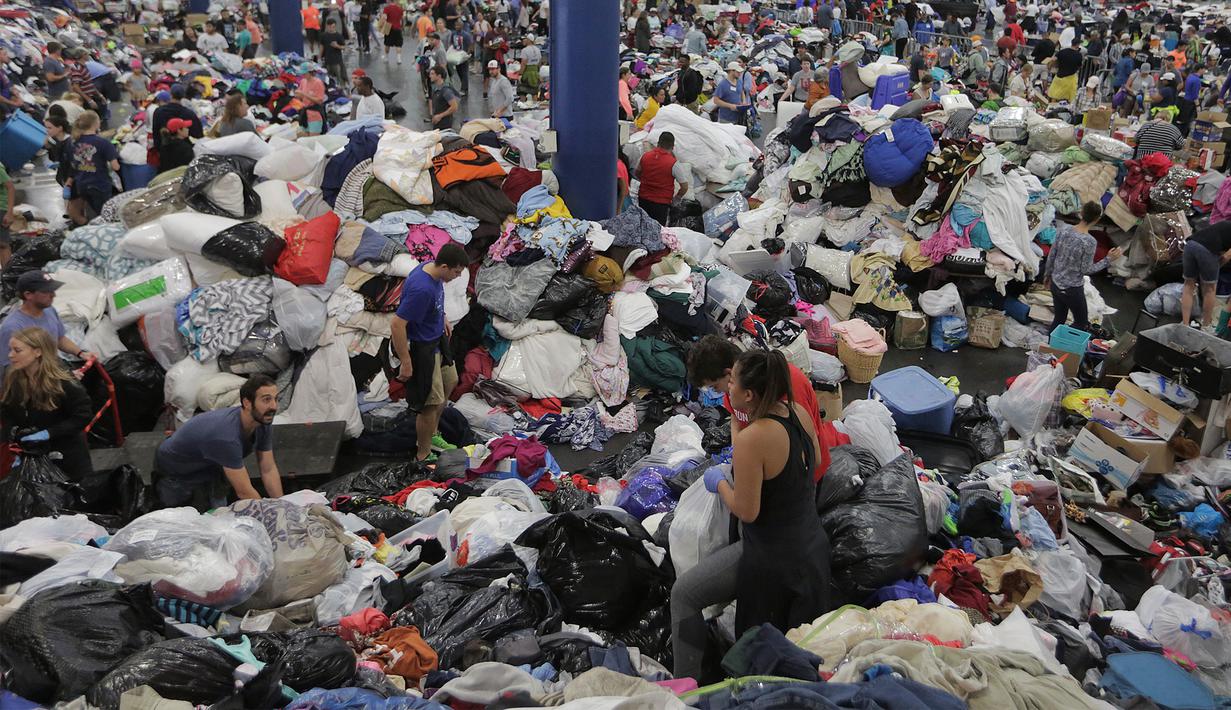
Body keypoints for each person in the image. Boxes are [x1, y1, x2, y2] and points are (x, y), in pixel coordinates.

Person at [671, 349, 831, 681]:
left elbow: (747, 510)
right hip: (812, 549)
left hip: (774, 561)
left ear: (749, 395)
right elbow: (815, 461)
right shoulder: (798, 412)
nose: (727, 388)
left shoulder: (754, 438)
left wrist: (720, 484)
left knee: (684, 593)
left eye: (732, 382)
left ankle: (685, 687)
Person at [154, 374, 285, 510]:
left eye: (276, 399)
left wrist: (283, 506)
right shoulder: (226, 436)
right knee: (185, 517)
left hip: (212, 466)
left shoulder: (262, 421)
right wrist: (271, 515)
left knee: (219, 511)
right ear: (247, 403)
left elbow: (268, 469)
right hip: (177, 470)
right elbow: (244, 492)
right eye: (266, 400)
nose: (274, 406)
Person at [391, 243, 467, 462]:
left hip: (437, 339)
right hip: (423, 348)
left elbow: (435, 300)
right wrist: (406, 362)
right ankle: (423, 454)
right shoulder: (421, 289)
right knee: (429, 404)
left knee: (451, 381)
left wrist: (442, 315)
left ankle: (432, 434)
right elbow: (397, 324)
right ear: (444, 267)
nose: (457, 276)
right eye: (456, 272)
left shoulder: (433, 271)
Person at [1, 327, 94, 481]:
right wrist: (14, 435)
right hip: (33, 456)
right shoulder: (13, 379)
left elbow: (82, 416)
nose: (10, 355)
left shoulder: (63, 381)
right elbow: (7, 412)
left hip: (67, 457)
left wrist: (49, 433)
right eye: (10, 350)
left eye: (17, 350)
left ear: (37, 352)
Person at [0, 271, 94, 378]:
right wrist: (61, 377)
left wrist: (81, 353)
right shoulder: (13, 327)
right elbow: (11, 368)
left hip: (51, 368)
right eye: (46, 292)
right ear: (28, 295)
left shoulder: (49, 310)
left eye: (52, 290)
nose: (53, 295)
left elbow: (59, 339)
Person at [1044, 202, 1119, 334]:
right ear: (1097, 219)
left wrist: (1047, 275)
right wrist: (1108, 259)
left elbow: (1052, 255)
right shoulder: (1089, 242)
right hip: (1072, 289)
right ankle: (1067, 344)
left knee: (1059, 318)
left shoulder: (1064, 230)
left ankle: (1052, 343)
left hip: (1056, 283)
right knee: (1081, 323)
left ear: (1081, 213)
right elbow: (1087, 270)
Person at [1181, 221, 1231, 331]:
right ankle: (1206, 326)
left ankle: (1184, 325)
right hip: (1208, 250)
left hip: (1190, 244)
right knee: (1210, 290)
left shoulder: (1227, 224)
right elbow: (1227, 256)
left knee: (1188, 285)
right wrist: (1214, 268)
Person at [70, 111, 118, 219]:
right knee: (106, 215)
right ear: (96, 124)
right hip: (100, 184)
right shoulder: (103, 143)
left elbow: (73, 164)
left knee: (94, 212)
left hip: (82, 184)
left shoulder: (74, 142)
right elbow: (116, 166)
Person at [636, 131, 688, 225]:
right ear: (672, 147)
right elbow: (684, 187)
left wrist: (646, 181)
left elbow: (637, 172)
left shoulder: (645, 156)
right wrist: (676, 198)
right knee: (658, 229)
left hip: (643, 198)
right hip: (661, 204)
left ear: (658, 143)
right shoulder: (674, 163)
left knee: (642, 226)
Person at [150, 84, 203, 161]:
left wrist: (159, 150)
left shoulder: (159, 111)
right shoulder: (189, 113)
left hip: (164, 151)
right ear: (183, 96)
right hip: (184, 154)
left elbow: (155, 133)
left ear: (170, 95)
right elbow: (199, 135)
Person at [295, 70, 328, 135]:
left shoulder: (318, 83)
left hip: (315, 115)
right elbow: (300, 96)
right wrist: (298, 95)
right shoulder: (303, 81)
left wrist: (304, 94)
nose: (303, 75)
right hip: (305, 115)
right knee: (304, 138)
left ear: (310, 72)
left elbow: (319, 101)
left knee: (314, 139)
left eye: (304, 73)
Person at [427, 65, 459, 130]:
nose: (430, 76)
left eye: (432, 74)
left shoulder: (446, 90)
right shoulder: (435, 88)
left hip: (445, 124)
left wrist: (440, 116)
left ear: (439, 76)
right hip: (437, 123)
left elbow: (454, 107)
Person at [322, 17, 348, 83]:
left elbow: (344, 47)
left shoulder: (338, 36)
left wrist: (337, 46)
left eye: (333, 27)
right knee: (328, 78)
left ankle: (342, 86)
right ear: (327, 26)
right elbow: (322, 47)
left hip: (337, 61)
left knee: (340, 76)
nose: (331, 28)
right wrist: (320, 57)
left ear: (335, 26)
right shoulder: (324, 35)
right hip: (327, 60)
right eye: (330, 27)